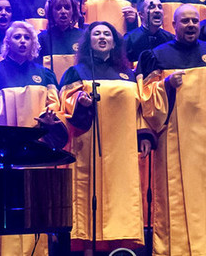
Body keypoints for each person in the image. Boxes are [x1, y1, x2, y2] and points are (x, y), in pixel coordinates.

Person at [137, 4, 206, 256]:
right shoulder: (157, 56)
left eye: (195, 20)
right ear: (173, 25)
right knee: (172, 200)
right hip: (170, 141)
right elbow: (145, 100)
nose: (191, 25)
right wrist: (165, 85)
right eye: (184, 21)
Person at [0, 21, 69, 256]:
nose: (22, 41)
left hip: (36, 154)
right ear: (7, 42)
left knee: (34, 211)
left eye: (27, 38)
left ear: (33, 43)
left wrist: (50, 119)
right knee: (4, 211)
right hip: (5, 155)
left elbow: (54, 107)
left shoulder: (44, 74)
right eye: (17, 37)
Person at [58, 21, 149, 254]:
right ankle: (89, 247)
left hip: (123, 148)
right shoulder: (77, 72)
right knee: (90, 197)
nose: (101, 37)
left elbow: (138, 107)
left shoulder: (128, 73)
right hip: (89, 146)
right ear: (88, 41)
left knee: (121, 198)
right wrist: (80, 102)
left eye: (107, 34)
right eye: (96, 33)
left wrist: (143, 135)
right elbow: (65, 104)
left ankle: (119, 249)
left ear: (114, 42)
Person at [38, 0, 86, 77]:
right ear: (51, 12)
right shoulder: (42, 38)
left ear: (73, 11)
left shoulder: (83, 37)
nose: (63, 11)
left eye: (67, 8)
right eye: (58, 8)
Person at [124, 0, 174, 65]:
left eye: (160, 7)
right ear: (141, 14)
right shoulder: (129, 39)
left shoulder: (170, 39)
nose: (157, 10)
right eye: (151, 7)